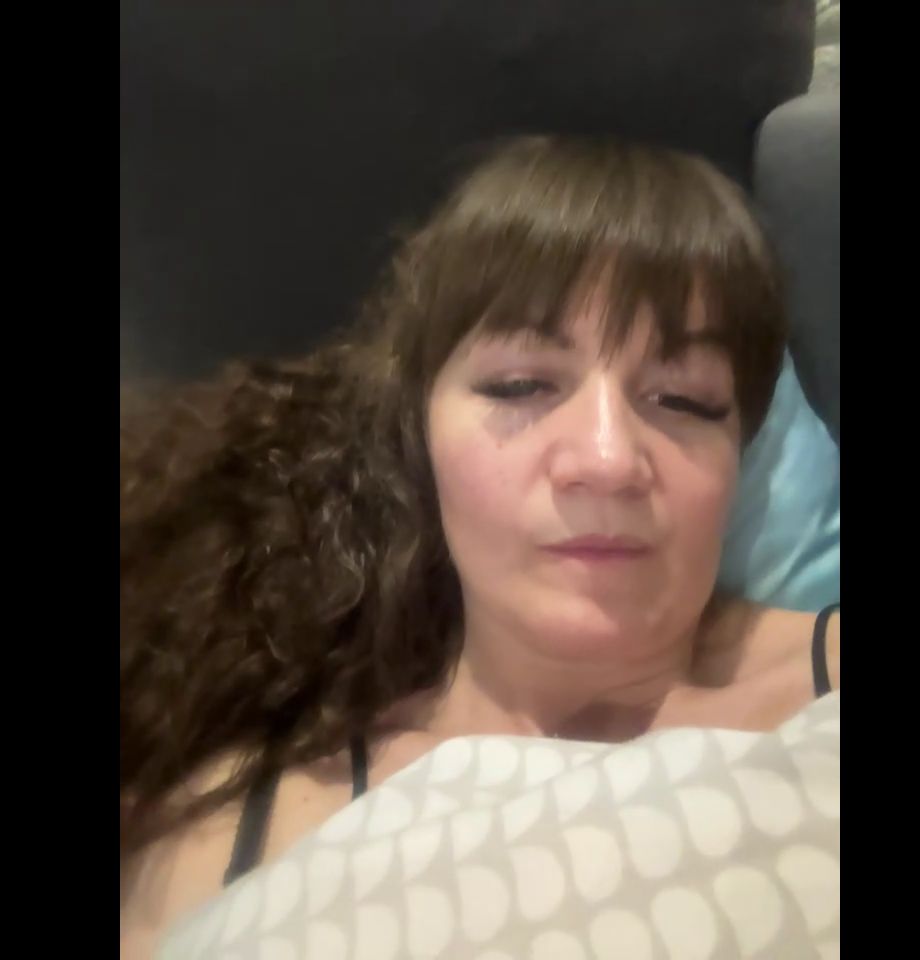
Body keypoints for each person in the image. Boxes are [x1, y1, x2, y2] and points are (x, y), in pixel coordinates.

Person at [119, 135, 840, 956]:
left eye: (683, 400)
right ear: (421, 438)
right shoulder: (219, 848)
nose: (608, 460)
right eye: (520, 385)